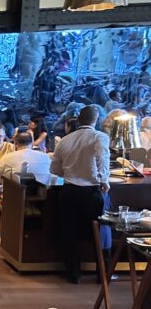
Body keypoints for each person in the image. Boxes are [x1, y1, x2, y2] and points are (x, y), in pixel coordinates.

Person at [50, 104, 110, 284]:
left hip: (69, 192)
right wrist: (104, 180)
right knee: (100, 232)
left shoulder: (65, 140)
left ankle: (73, 273)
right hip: (91, 192)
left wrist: (70, 173)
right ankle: (102, 273)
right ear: (96, 120)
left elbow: (55, 169)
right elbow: (103, 158)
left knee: (69, 233)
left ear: (78, 119)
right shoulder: (99, 137)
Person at [0, 130, 52, 221]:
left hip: (13, 201)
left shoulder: (8, 157)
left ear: (15, 144)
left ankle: (1, 226)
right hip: (42, 202)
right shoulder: (45, 157)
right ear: (32, 144)